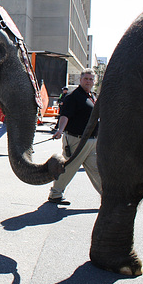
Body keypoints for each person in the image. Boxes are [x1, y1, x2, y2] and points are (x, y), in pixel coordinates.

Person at [48, 69, 101, 205]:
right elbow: (65, 115)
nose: (88, 81)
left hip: (91, 141)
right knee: (68, 167)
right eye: (86, 79)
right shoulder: (73, 96)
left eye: (91, 79)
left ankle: (108, 197)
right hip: (76, 140)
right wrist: (60, 130)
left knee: (96, 169)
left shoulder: (92, 96)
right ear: (80, 80)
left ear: (94, 82)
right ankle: (55, 194)